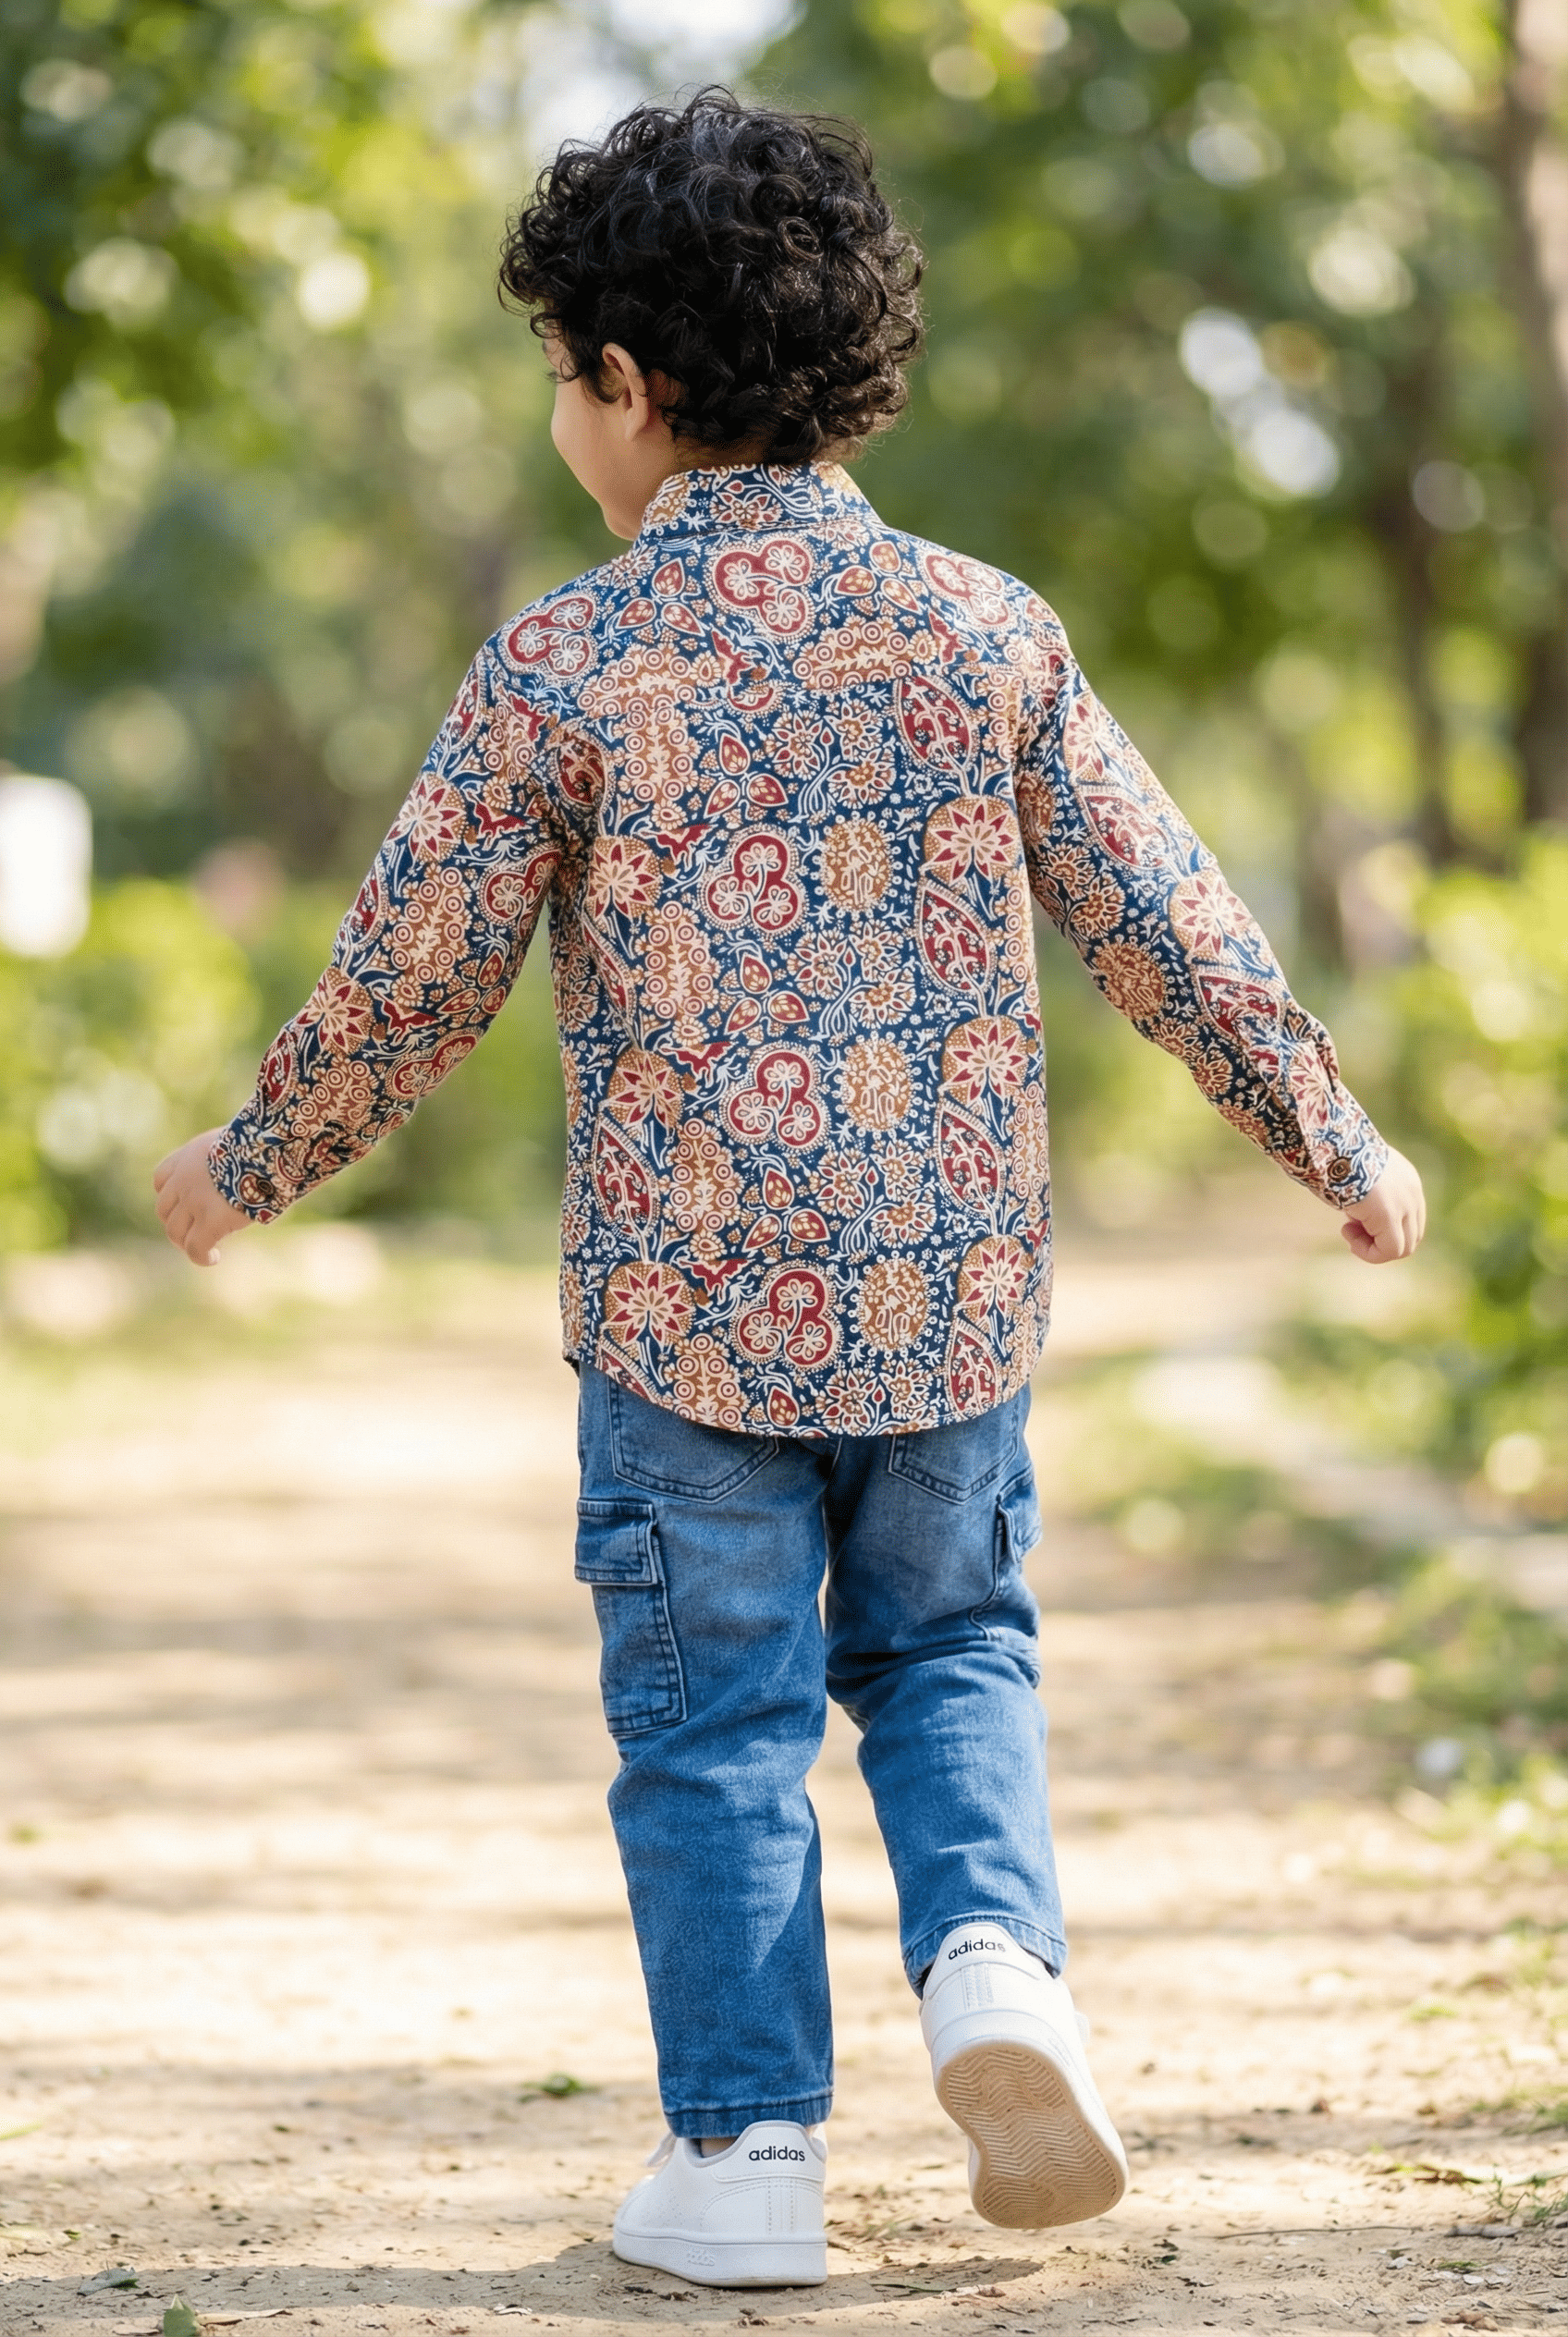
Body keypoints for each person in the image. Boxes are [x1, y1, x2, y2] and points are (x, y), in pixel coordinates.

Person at [153, 89, 1427, 2293]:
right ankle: (998, 1973)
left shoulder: (563, 663)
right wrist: (1332, 1128)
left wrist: (242, 1161)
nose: (563, 413)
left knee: (712, 1732)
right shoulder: (982, 629)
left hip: (682, 1325)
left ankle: (745, 2154)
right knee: (950, 1656)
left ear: (628, 389)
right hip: (945, 1307)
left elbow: (412, 974)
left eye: (563, 375)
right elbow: (1158, 910)